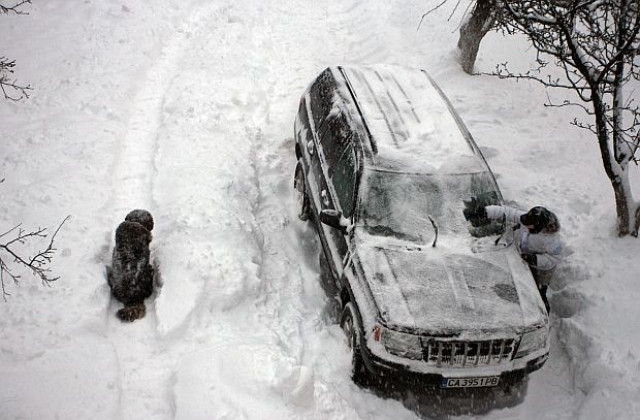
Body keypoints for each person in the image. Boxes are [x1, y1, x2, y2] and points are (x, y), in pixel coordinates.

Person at [464, 200, 562, 312]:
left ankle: (541, 312)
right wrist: (486, 211)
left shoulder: (551, 240)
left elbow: (555, 258)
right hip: (525, 256)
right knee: (523, 284)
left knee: (537, 293)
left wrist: (535, 259)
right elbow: (506, 212)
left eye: (528, 226)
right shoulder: (529, 220)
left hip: (543, 268)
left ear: (537, 228)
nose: (525, 225)